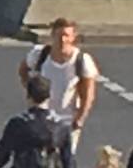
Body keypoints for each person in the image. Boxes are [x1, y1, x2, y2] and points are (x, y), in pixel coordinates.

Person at [18, 20, 100, 160]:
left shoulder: (82, 61)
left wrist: (80, 118)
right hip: (43, 116)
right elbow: (23, 70)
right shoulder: (40, 55)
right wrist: (31, 90)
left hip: (67, 120)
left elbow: (88, 95)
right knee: (41, 159)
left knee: (63, 161)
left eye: (66, 35)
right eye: (59, 35)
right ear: (52, 36)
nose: (62, 40)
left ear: (73, 37)